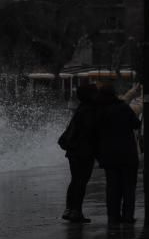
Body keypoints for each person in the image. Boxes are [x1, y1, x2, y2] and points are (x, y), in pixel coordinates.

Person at [95, 83, 142, 226]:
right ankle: (128, 216)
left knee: (112, 187)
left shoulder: (100, 111)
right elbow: (136, 124)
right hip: (128, 154)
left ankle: (113, 216)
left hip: (109, 155)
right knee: (128, 187)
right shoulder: (123, 108)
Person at [59, 83, 99, 223]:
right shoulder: (90, 110)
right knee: (81, 181)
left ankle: (69, 209)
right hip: (83, 152)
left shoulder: (81, 108)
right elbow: (90, 132)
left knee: (75, 180)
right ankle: (76, 211)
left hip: (74, 151)